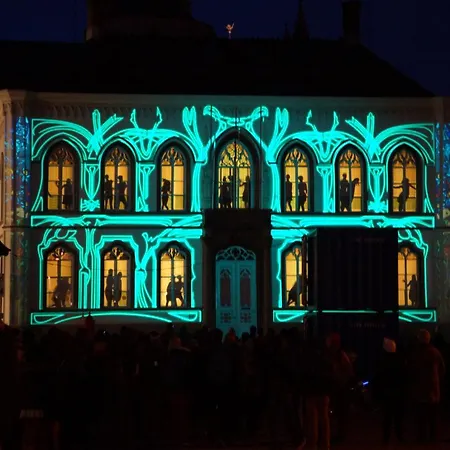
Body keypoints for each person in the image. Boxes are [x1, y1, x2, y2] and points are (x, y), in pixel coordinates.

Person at [408, 329, 446, 443]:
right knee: (432, 416)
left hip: (419, 389)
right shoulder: (435, 352)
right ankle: (433, 437)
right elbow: (442, 369)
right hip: (433, 389)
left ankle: (422, 437)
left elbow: (411, 371)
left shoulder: (416, 353)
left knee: (421, 416)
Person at [373, 338, 406, 444]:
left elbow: (378, 377)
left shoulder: (383, 361)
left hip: (387, 393)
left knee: (387, 417)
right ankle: (400, 436)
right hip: (398, 393)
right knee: (398, 417)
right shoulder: (400, 360)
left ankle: (386, 438)